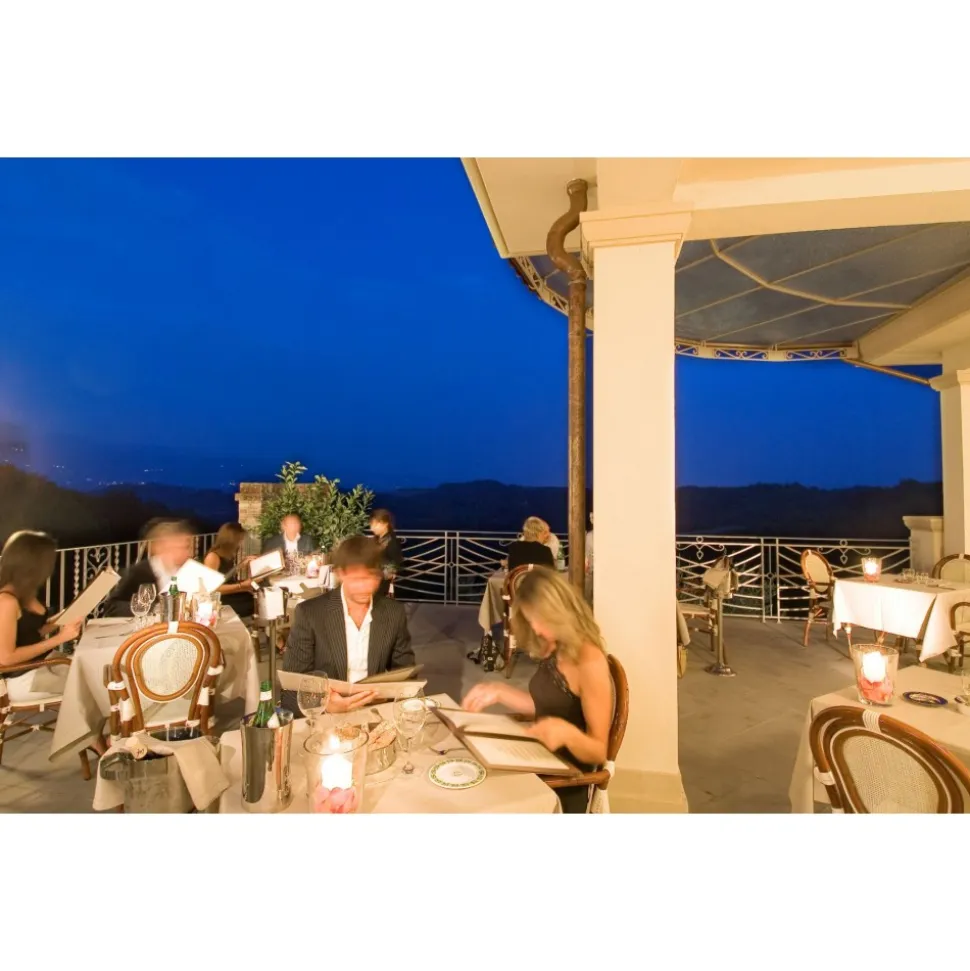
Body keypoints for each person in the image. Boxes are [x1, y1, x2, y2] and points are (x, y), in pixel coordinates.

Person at [462, 567, 613, 813]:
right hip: (539, 757)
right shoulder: (557, 646)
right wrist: (499, 691)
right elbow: (547, 704)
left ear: (559, 612)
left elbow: (599, 751)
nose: (537, 630)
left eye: (540, 620)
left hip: (564, 780)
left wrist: (566, 733)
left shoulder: (589, 660)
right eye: (532, 621)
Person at [281, 534, 414, 715]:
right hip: (327, 717)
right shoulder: (311, 614)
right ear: (340, 574)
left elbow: (406, 675)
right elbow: (290, 690)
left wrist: (388, 696)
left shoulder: (393, 613)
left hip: (375, 712)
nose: (365, 587)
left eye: (371, 578)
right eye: (357, 579)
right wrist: (325, 705)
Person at [0, 530, 82, 702]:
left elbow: (32, 632)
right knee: (95, 681)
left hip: (42, 666)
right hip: (23, 679)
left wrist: (68, 615)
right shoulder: (6, 601)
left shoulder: (22, 592)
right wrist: (60, 638)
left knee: (94, 670)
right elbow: (6, 658)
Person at [103, 519, 195, 617]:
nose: (189, 553)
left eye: (187, 547)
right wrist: (153, 609)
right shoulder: (139, 572)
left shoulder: (189, 571)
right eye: (180, 547)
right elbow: (112, 607)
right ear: (161, 547)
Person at [203, 522, 257, 620]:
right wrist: (241, 586)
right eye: (239, 540)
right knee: (252, 603)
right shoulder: (213, 557)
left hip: (227, 593)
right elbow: (212, 589)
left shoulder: (227, 555)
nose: (241, 543)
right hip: (219, 599)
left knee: (255, 597)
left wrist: (241, 565)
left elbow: (225, 577)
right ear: (231, 540)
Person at [370, 508, 403, 598]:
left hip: (381, 581)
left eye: (375, 524)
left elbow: (396, 562)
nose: (372, 528)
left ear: (385, 524)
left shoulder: (391, 542)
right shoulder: (377, 539)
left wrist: (380, 575)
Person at [584, 511, 594, 604]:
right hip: (590, 570)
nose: (592, 519)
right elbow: (587, 552)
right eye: (591, 518)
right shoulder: (589, 535)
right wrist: (586, 561)